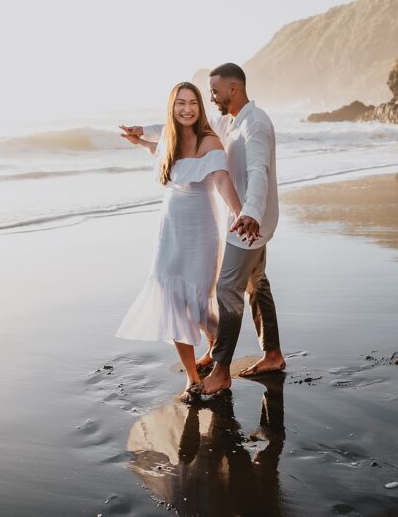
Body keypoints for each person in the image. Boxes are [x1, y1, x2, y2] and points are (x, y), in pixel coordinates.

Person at [117, 81, 246, 402]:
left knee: (197, 305)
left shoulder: (209, 141)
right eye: (180, 103)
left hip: (200, 232)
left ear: (200, 107)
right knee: (173, 300)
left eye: (192, 103)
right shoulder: (169, 139)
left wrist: (241, 213)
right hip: (169, 231)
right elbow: (157, 146)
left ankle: (217, 343)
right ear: (172, 108)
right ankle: (192, 377)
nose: (186, 108)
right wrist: (141, 138)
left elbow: (221, 180)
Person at [199, 62, 285, 397]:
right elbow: (193, 128)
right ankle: (273, 354)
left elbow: (258, 172)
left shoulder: (256, 123)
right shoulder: (228, 121)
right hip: (248, 222)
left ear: (234, 89)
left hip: (249, 225)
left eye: (215, 91)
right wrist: (145, 131)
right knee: (256, 284)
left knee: (227, 290)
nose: (212, 98)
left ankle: (221, 371)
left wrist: (250, 213)